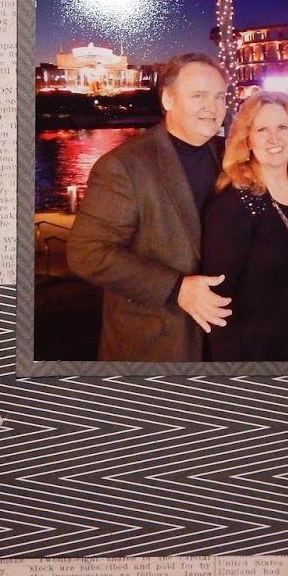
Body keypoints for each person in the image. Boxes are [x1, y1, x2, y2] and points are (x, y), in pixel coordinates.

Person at [67, 53, 232, 363]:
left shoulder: (230, 157)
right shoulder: (124, 166)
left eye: (219, 97)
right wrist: (176, 289)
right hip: (157, 343)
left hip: (224, 341)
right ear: (168, 99)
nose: (212, 107)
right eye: (198, 96)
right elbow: (86, 252)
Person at [199, 91, 288, 363]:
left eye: (282, 127)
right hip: (254, 356)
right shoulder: (233, 205)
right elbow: (217, 304)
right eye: (262, 130)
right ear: (247, 140)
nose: (274, 138)